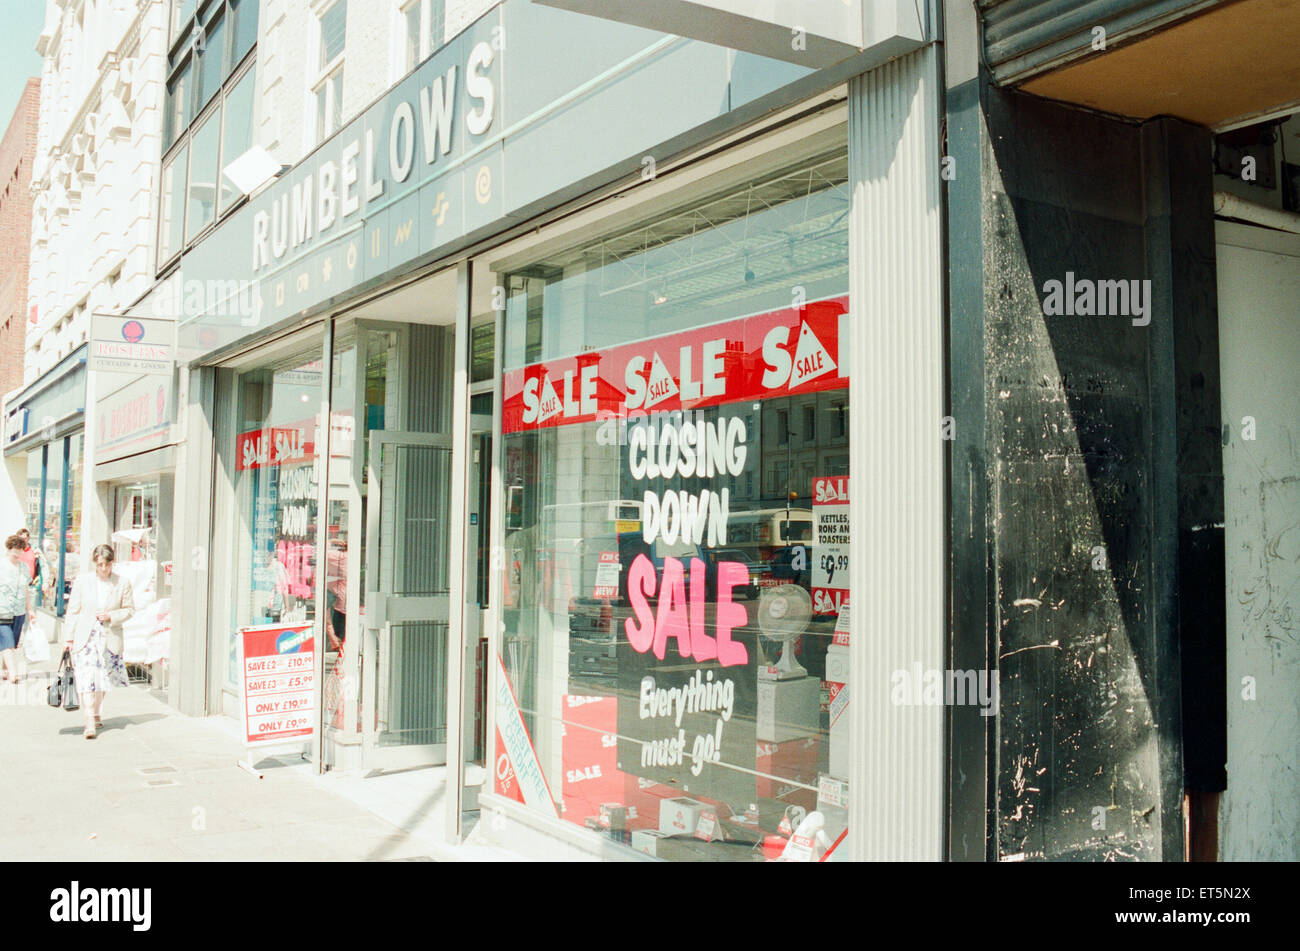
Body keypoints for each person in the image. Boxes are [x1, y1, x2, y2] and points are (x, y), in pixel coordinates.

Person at [63, 544, 135, 739]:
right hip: (86, 637)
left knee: (102, 679)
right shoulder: (83, 581)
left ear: (113, 563)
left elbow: (129, 609)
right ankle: (89, 722)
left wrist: (111, 616)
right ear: (95, 563)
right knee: (86, 679)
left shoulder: (122, 582)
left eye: (108, 564)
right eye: (100, 564)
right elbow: (73, 611)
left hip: (109, 637)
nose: (104, 568)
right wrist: (68, 637)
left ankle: (95, 712)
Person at [0, 535, 33, 683]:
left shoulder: (23, 567)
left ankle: (5, 670)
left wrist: (30, 609)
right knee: (7, 641)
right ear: (8, 548)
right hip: (2, 609)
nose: (17, 552)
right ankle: (13, 673)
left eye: (20, 549)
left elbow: (26, 589)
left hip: (19, 611)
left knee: (12, 643)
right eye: (15, 548)